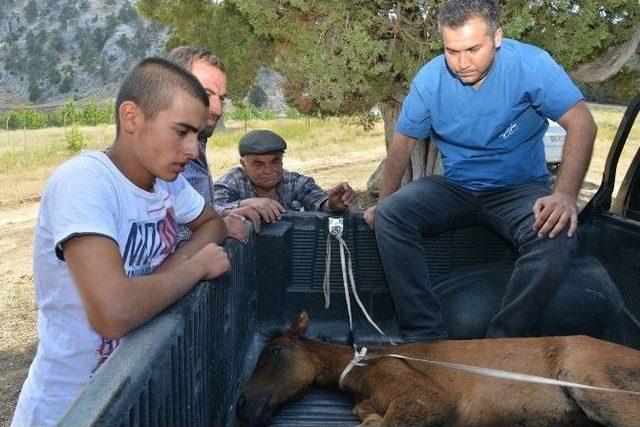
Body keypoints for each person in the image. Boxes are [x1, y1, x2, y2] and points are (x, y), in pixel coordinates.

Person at [12, 58, 231, 426]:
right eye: (181, 132)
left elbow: (213, 225)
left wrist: (157, 277)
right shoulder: (83, 182)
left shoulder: (167, 182)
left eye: (196, 134)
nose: (193, 150)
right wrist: (195, 267)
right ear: (131, 117)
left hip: (132, 396)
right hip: (71, 409)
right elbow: (113, 314)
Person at [364, 0, 598, 341]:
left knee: (557, 234)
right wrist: (382, 202)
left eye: (473, 49)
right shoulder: (430, 79)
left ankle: (500, 342)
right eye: (451, 50)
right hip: (455, 186)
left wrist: (563, 195)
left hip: (518, 189)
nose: (462, 62)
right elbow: (402, 143)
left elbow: (582, 124)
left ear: (497, 37)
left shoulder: (530, 64)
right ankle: (425, 336)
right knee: (390, 214)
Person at [167, 45, 261, 242]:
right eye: (206, 94)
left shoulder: (196, 144)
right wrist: (216, 228)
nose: (217, 109)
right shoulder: (156, 156)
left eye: (222, 98)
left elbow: (186, 208)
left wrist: (226, 211)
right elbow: (158, 241)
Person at [214, 129, 356, 222]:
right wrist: (244, 204)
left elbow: (318, 201)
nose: (268, 170)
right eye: (258, 164)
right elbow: (209, 208)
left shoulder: (294, 182)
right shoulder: (233, 180)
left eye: (275, 162)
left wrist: (332, 204)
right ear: (244, 164)